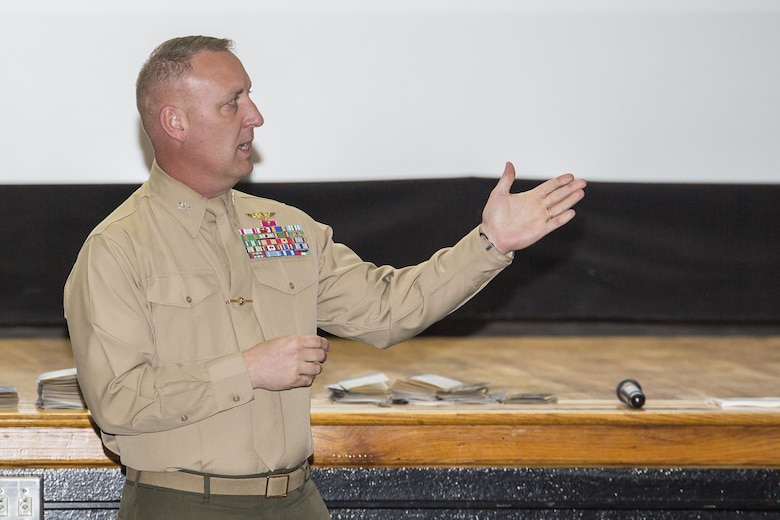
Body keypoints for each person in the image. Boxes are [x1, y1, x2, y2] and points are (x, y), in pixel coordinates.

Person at [64, 35, 586, 519]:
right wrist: (246, 369)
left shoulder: (287, 228)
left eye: (251, 98)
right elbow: (117, 400)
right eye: (233, 102)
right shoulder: (117, 249)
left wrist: (490, 244)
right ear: (175, 123)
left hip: (297, 501)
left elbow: (387, 310)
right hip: (181, 504)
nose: (257, 117)